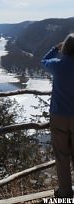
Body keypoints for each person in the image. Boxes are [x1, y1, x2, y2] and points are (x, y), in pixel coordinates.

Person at [41, 33, 74, 198]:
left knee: (62, 156)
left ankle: (65, 194)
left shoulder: (57, 65)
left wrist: (55, 48)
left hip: (59, 116)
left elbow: (43, 61)